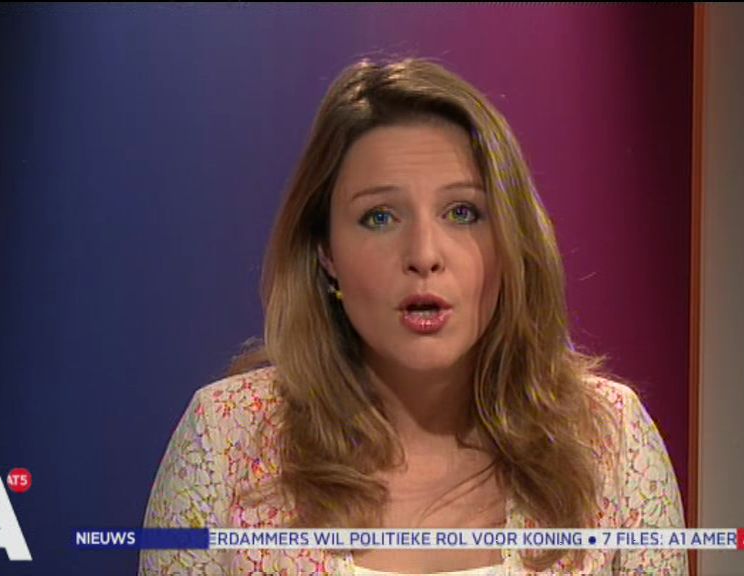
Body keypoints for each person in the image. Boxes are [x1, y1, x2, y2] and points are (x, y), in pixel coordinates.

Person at [139, 57, 687, 575]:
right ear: (326, 252)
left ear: (511, 241)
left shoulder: (610, 440)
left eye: (463, 212)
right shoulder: (226, 437)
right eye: (380, 217)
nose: (424, 254)